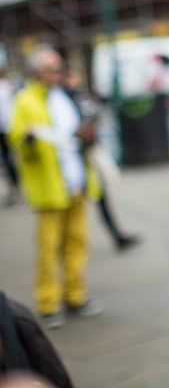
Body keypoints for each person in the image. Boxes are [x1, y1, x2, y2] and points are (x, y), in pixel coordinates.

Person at [7, 45, 104, 330]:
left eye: (59, 68)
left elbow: (83, 129)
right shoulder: (25, 100)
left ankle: (76, 295)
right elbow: (16, 138)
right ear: (37, 72)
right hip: (49, 186)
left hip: (76, 179)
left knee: (77, 243)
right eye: (51, 68)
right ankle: (48, 303)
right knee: (48, 248)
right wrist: (28, 138)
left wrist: (87, 134)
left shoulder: (67, 95)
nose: (57, 73)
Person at [62, 69, 141, 252]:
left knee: (100, 196)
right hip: (70, 159)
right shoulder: (60, 99)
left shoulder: (76, 96)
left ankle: (117, 235)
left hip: (87, 156)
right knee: (79, 203)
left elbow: (94, 114)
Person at [0, 64, 21, 206]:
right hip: (6, 128)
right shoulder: (7, 87)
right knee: (9, 160)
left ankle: (16, 188)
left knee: (10, 160)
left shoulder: (6, 87)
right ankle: (16, 188)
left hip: (8, 128)